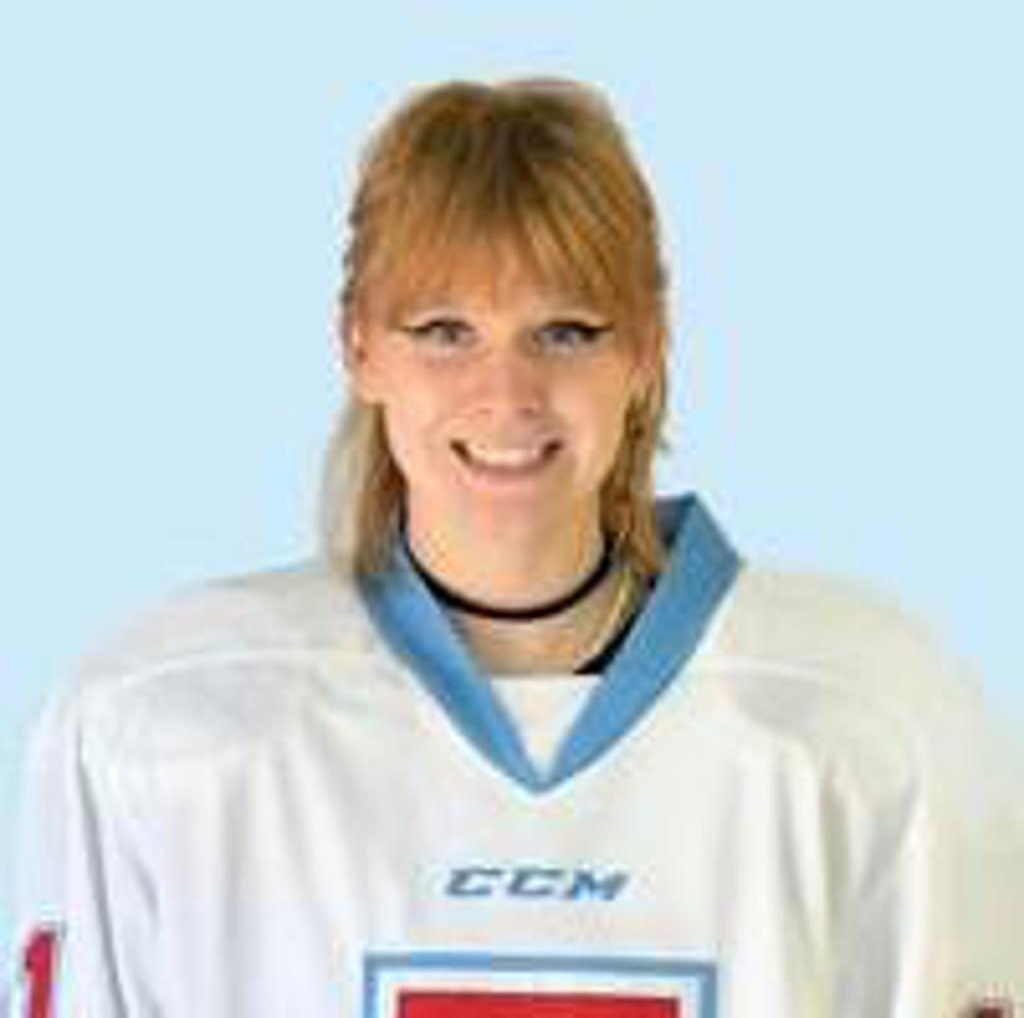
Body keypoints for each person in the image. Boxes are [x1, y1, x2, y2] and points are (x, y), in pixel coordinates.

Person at [5, 76, 1022, 1017]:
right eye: (444, 330)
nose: (506, 396)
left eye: (565, 330)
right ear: (357, 344)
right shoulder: (164, 718)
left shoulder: (872, 710)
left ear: (647, 345)